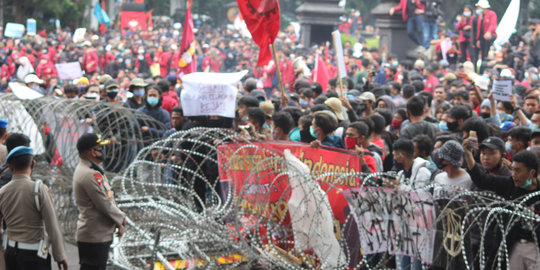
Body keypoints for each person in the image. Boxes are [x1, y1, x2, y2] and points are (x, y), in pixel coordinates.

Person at [463, 139, 540, 270]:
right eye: (513, 170)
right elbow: (483, 180)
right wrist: (468, 155)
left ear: (531, 173)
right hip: (512, 245)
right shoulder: (510, 185)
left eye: (518, 171)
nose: (514, 175)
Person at [0, 146, 68, 270]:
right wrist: (60, 256)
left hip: (11, 253)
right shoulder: (38, 189)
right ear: (33, 164)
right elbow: (52, 225)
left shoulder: (2, 192)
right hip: (34, 255)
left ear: (10, 167)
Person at [73, 133, 126, 270]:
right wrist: (121, 219)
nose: (103, 151)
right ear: (92, 152)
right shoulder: (90, 174)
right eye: (100, 148)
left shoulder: (91, 169)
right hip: (94, 236)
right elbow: (104, 203)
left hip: (96, 234)